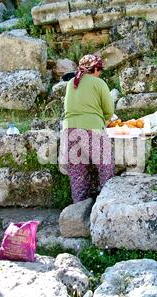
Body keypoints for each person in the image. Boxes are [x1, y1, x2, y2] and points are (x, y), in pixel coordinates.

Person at [62, 54, 115, 203]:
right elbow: (109, 110)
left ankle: (79, 210)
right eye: (100, 70)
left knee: (77, 174)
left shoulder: (71, 83)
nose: (100, 73)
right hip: (92, 130)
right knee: (106, 167)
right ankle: (106, 205)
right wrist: (102, 121)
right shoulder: (99, 83)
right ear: (95, 69)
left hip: (69, 131)